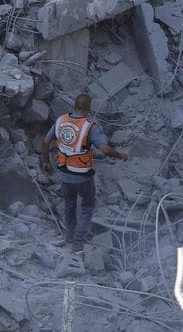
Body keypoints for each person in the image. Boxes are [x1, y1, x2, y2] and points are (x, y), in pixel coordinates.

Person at [41, 94, 129, 252]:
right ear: (88, 109)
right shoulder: (89, 126)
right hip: (82, 175)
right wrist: (120, 155)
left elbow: (46, 141)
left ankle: (69, 234)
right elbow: (105, 149)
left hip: (64, 172)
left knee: (69, 204)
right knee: (87, 206)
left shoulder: (61, 120)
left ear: (75, 105)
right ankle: (78, 240)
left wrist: (47, 161)